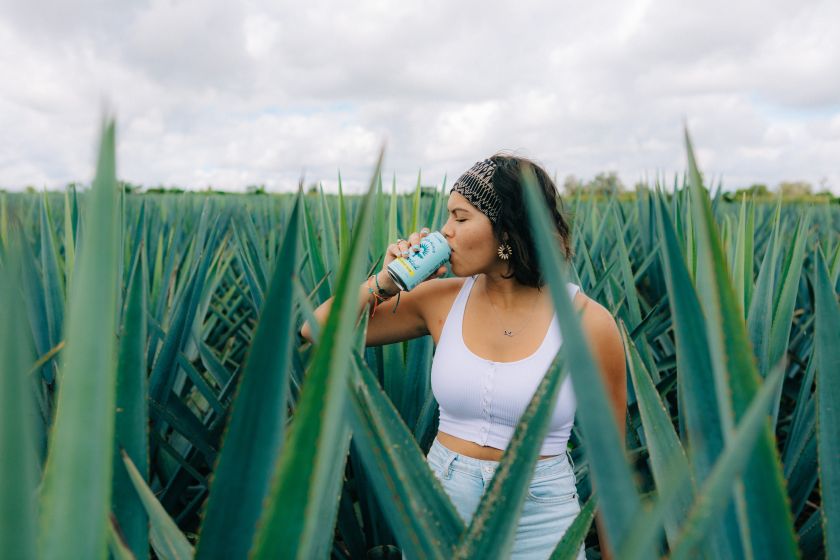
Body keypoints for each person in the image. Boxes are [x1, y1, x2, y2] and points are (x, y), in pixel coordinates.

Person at [300, 154, 626, 560]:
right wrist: (387, 280)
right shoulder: (440, 301)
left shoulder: (588, 323)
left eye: (460, 217)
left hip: (543, 521)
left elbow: (612, 471)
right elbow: (316, 329)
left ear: (507, 228)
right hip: (440, 508)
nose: (445, 232)